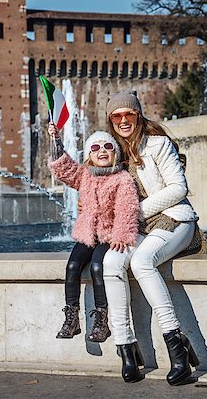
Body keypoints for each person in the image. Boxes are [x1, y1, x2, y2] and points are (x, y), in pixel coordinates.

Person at [102, 89, 206, 385]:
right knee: (111, 262)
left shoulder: (158, 145)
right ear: (111, 121)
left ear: (138, 115)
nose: (123, 120)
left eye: (129, 114)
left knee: (143, 261)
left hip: (176, 219)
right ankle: (127, 350)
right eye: (117, 116)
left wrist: (135, 211)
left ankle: (178, 349)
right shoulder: (115, 153)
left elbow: (178, 188)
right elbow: (85, 176)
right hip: (141, 228)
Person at [48, 121, 139, 343]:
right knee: (72, 266)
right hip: (88, 233)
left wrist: (121, 235)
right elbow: (64, 168)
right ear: (89, 155)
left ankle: (101, 319)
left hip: (108, 236)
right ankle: (72, 318)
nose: (102, 151)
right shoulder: (85, 175)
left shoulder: (123, 178)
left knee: (98, 266)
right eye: (95, 148)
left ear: (115, 153)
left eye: (107, 147)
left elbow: (128, 209)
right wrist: (56, 140)